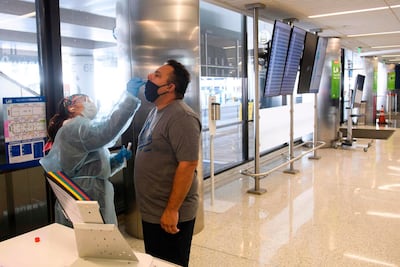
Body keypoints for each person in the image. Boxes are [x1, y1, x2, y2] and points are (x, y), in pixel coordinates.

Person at [40, 78, 145, 226]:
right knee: (92, 242)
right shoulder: (73, 128)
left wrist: (115, 161)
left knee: (97, 242)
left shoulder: (81, 130)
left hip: (89, 194)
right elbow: (107, 130)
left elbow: (91, 170)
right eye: (85, 100)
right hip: (85, 197)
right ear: (71, 108)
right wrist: (129, 98)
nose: (91, 103)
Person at [134, 59, 201, 267]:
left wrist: (172, 210)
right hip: (153, 210)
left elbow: (188, 164)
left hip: (171, 213)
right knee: (156, 262)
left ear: (170, 87)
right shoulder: (156, 111)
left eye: (157, 75)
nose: (149, 78)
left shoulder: (182, 117)